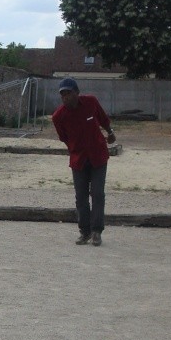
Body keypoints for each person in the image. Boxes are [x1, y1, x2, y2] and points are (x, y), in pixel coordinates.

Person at [51, 77, 116, 247]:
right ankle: (84, 231)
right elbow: (63, 137)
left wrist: (110, 132)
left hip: (98, 156)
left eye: (69, 93)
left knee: (97, 193)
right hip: (78, 159)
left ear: (77, 93)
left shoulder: (90, 102)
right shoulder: (59, 116)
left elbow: (103, 119)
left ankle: (96, 231)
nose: (66, 97)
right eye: (62, 95)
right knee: (80, 197)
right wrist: (74, 148)